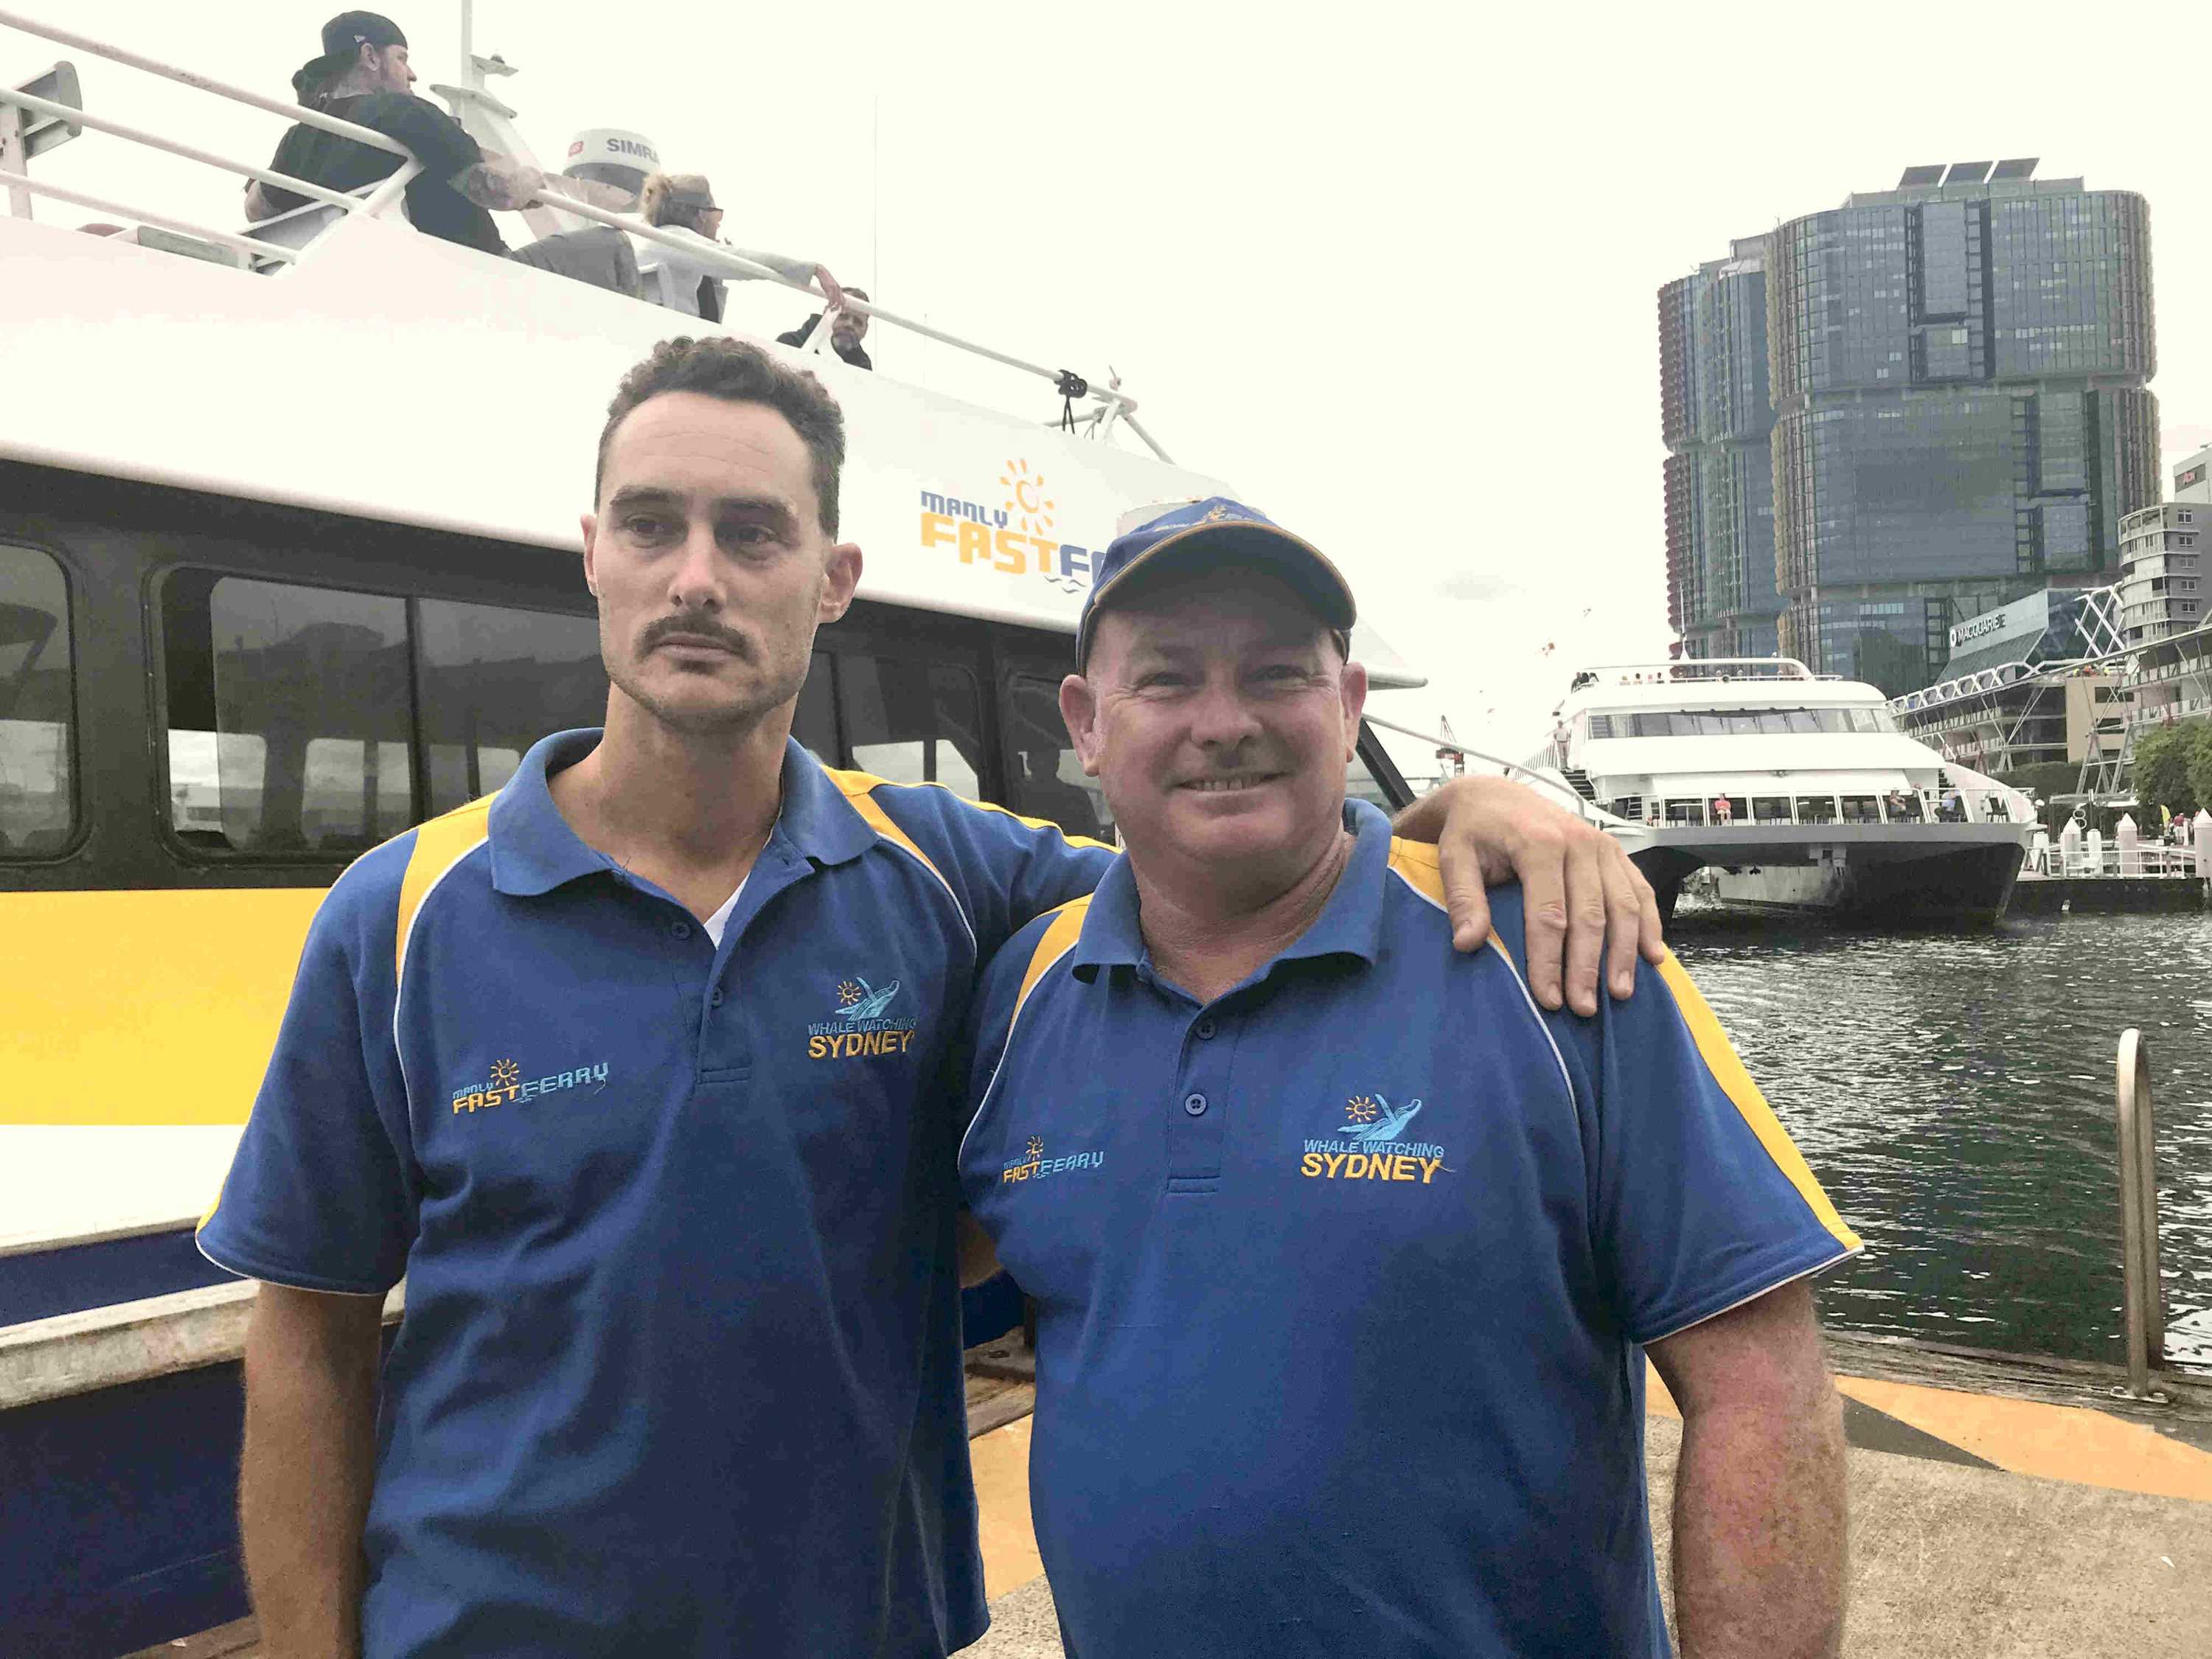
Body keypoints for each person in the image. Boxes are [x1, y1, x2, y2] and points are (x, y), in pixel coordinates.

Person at [195, 339, 1666, 1658]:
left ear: (832, 579)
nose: (696, 576)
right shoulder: (401, 919)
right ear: (594, 554)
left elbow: (1222, 863)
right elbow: (310, 1334)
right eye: (650, 525)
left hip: (865, 1625)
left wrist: (1460, 816)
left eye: (752, 533)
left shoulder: (954, 880)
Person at [959, 498, 1858, 1658]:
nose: (1223, 722)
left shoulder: (1556, 955)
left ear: (1348, 705)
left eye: (1276, 673)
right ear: (1087, 722)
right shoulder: (1027, 993)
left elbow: (1763, 1389)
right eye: (1167, 679)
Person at [246, 12, 639, 295]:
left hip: (369, 279)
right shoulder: (405, 111)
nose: (412, 74)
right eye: (402, 58)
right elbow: (499, 193)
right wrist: (529, 180)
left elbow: (257, 210)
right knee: (614, 245)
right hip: (479, 277)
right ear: (370, 57)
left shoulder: (297, 138)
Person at [633, 171, 850, 326]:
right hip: (674, 340)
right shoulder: (678, 240)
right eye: (717, 214)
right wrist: (814, 269)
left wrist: (716, 280)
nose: (718, 224)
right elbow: (743, 262)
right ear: (700, 214)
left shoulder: (660, 239)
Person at [778, 287, 873, 370]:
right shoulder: (789, 344)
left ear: (865, 330)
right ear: (826, 313)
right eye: (842, 316)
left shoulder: (864, 366)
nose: (850, 324)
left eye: (858, 322)